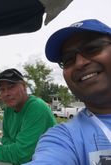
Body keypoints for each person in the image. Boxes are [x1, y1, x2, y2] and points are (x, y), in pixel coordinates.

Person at [24, 19, 111, 165]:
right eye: (68, 59)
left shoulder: (36, 106)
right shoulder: (64, 138)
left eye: (92, 48)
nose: (80, 63)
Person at [0, 68, 56, 165]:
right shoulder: (8, 109)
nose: (6, 94)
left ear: (24, 86)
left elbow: (21, 155)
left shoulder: (37, 107)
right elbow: (5, 138)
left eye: (11, 87)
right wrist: (15, 148)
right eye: (2, 89)